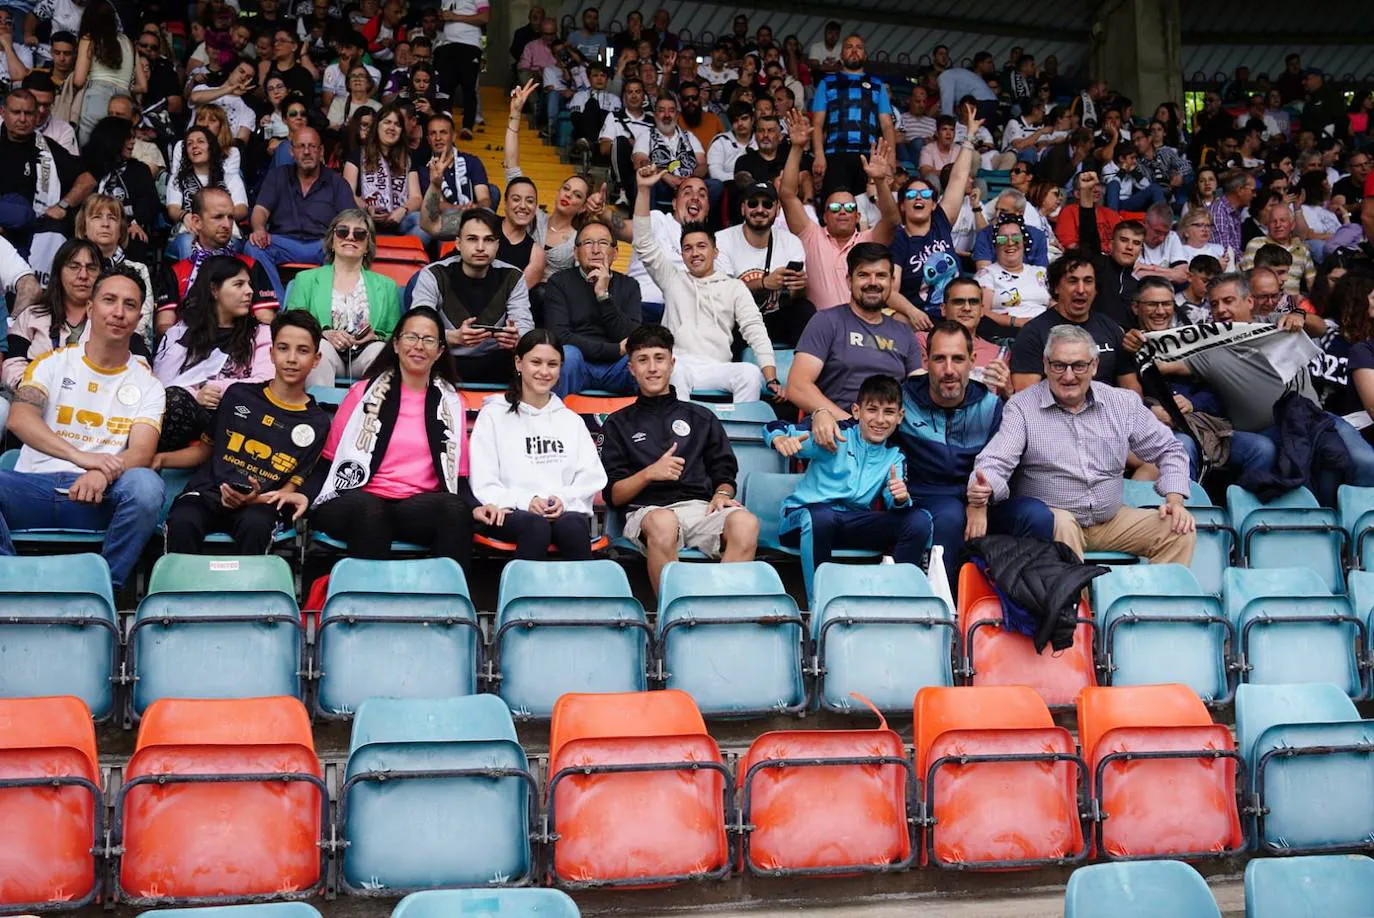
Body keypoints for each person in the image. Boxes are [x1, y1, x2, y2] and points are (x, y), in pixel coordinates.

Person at [972, 324, 1195, 565]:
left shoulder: (1121, 402)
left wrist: (1175, 501)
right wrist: (984, 487)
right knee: (1062, 525)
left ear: (1095, 366)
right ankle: (1074, 604)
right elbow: (997, 459)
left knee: (1179, 529)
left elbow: (1170, 449)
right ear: (1045, 365)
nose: (1069, 376)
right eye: (1059, 366)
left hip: (1111, 520)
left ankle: (1148, 604)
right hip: (1057, 520)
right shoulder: (1022, 407)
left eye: (1079, 366)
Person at [0, 265, 164, 590]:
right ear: (90, 307)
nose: (118, 312)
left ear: (139, 317)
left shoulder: (148, 385)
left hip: (97, 497)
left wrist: (103, 473)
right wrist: (83, 458)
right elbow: (19, 418)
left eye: (129, 305)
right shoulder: (52, 362)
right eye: (109, 300)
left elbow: (142, 453)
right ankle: (10, 585)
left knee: (146, 487)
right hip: (33, 489)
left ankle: (101, 592)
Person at [310, 306, 502, 566]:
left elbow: (459, 478)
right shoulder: (362, 394)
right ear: (397, 344)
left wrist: (476, 506)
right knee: (372, 511)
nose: (419, 346)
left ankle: (447, 603)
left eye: (429, 340)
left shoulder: (450, 403)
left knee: (454, 510)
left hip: (414, 507)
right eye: (411, 337)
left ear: (440, 351)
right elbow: (328, 461)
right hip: (356, 499)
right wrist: (303, 493)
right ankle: (365, 602)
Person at [1155, 272, 1374, 487]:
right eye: (1214, 304)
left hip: (1315, 419)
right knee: (1316, 463)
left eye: (1228, 301)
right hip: (1268, 431)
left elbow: (1320, 327)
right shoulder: (1206, 347)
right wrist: (1133, 343)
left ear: (1249, 301)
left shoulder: (1274, 324)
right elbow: (1161, 365)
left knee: (1366, 462)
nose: (1221, 309)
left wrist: (1300, 316)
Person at [600, 324, 758, 592]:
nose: (652, 368)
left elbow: (724, 473)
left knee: (746, 522)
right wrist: (650, 473)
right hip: (647, 512)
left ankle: (722, 613)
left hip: (700, 509)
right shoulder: (617, 423)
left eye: (659, 358)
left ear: (672, 364)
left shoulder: (702, 417)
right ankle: (674, 619)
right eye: (643, 360)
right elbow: (613, 495)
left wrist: (721, 493)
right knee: (664, 522)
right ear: (631, 369)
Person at [157, 311, 331, 554]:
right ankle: (180, 591)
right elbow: (203, 451)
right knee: (183, 521)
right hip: (207, 492)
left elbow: (287, 491)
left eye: (302, 350)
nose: (291, 358)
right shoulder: (239, 394)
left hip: (259, 505)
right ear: (271, 353)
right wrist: (161, 459)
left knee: (256, 526)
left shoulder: (317, 422)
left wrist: (253, 499)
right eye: (283, 348)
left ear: (316, 359)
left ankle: (245, 592)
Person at [899, 320, 1051, 584]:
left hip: (980, 499)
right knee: (949, 516)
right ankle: (944, 613)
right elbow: (864, 431)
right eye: (939, 359)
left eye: (958, 359)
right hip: (925, 500)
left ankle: (1029, 607)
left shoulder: (991, 406)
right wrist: (821, 416)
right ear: (925, 360)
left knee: (1036, 515)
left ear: (972, 360)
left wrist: (981, 500)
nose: (949, 370)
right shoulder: (903, 401)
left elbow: (1005, 464)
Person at [764, 373, 932, 599]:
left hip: (851, 522)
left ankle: (893, 599)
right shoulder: (835, 435)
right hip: (802, 520)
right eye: (872, 410)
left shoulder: (894, 455)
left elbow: (895, 502)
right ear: (856, 411)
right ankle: (821, 607)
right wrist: (779, 438)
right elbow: (775, 426)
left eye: (889, 412)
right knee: (820, 518)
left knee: (920, 520)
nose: (880, 420)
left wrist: (901, 499)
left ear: (900, 417)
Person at [631, 163, 777, 401]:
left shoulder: (734, 287)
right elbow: (644, 244)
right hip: (680, 364)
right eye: (687, 248)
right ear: (682, 254)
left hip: (718, 366)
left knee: (749, 374)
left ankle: (736, 436)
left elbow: (754, 329)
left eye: (701, 247)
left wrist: (770, 376)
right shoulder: (673, 279)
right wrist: (644, 190)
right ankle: (682, 435)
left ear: (715, 252)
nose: (695, 253)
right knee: (673, 373)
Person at [469, 329, 607, 560]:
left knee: (573, 525)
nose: (544, 371)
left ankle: (580, 596)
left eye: (552, 364)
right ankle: (522, 595)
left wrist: (563, 500)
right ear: (518, 363)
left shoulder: (570, 420)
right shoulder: (493, 415)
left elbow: (590, 477)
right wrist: (526, 501)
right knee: (535, 526)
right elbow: (484, 481)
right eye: (536, 362)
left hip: (562, 511)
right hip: (509, 512)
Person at [787, 243, 922, 440]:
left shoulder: (904, 333)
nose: (873, 282)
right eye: (863, 275)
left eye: (881, 276)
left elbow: (920, 387)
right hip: (838, 433)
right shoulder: (826, 321)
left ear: (892, 281)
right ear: (849, 281)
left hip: (889, 437)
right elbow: (797, 386)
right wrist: (853, 424)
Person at [781, 107, 898, 314]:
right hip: (821, 332)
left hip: (862, 327)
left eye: (849, 207)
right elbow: (788, 195)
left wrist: (880, 181)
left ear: (858, 215)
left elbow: (891, 220)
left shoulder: (868, 240)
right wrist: (797, 148)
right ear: (824, 216)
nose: (842, 211)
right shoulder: (811, 236)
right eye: (834, 207)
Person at [154, 255, 275, 451]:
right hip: (190, 415)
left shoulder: (260, 332)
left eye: (249, 284)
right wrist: (196, 396)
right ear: (214, 290)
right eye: (238, 284)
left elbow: (266, 381)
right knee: (172, 401)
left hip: (238, 415)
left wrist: (213, 387)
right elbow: (162, 386)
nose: (250, 291)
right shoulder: (180, 332)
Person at [411, 208, 534, 383]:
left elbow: (525, 327)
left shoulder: (512, 277)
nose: (480, 247)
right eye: (472, 239)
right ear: (458, 244)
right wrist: (453, 337)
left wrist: (516, 338)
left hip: (495, 360)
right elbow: (418, 328)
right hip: (444, 358)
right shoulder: (434, 274)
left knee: (530, 357)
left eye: (489, 240)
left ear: (497, 245)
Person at [285, 209, 401, 387]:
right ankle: (319, 412)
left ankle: (371, 413)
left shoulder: (387, 286)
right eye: (342, 231)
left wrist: (375, 337)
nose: (350, 237)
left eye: (360, 234)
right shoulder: (305, 279)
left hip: (366, 354)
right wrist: (323, 334)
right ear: (332, 240)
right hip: (325, 353)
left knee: (380, 352)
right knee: (319, 350)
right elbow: (292, 326)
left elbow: (395, 336)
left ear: (367, 245)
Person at [246, 128, 357, 304]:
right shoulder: (278, 176)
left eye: (312, 146)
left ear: (321, 151)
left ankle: (320, 306)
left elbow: (350, 219)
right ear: (292, 151)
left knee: (345, 249)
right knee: (253, 246)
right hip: (283, 242)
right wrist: (259, 229)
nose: (306, 152)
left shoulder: (337, 182)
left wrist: (338, 240)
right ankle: (280, 306)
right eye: (301, 146)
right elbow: (260, 210)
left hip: (323, 245)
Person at [891, 103, 981, 317]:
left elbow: (958, 178)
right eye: (911, 195)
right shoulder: (898, 239)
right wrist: (912, 313)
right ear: (902, 205)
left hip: (956, 312)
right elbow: (891, 291)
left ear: (933, 204)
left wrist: (969, 137)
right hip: (919, 317)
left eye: (926, 195)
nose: (919, 198)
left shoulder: (941, 221)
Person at [1010, 250, 1138, 392]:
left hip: (1108, 411)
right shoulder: (1033, 332)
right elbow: (1026, 397)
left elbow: (1131, 388)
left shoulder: (1110, 328)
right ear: (1057, 287)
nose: (1081, 289)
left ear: (1096, 289)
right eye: (1073, 281)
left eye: (1088, 281)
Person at [159, 188, 280, 336]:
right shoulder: (177, 271)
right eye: (218, 217)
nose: (227, 224)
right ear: (196, 222)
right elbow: (164, 325)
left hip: (241, 349)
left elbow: (266, 320)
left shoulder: (251, 266)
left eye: (230, 217)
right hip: (191, 349)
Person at [543, 218, 641, 397]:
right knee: (568, 354)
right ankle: (552, 420)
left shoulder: (630, 285)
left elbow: (631, 337)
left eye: (603, 243)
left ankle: (647, 423)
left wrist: (603, 296)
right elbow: (560, 337)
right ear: (575, 252)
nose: (596, 250)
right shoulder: (559, 282)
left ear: (616, 252)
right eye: (588, 242)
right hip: (578, 364)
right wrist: (613, 350)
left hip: (618, 366)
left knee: (643, 359)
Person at [713, 181, 813, 348]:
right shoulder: (722, 240)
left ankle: (803, 367)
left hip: (776, 316)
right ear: (743, 208)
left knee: (805, 309)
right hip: (738, 318)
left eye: (767, 204)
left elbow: (797, 297)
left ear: (778, 209)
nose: (760, 210)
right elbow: (723, 293)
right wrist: (764, 283)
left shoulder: (791, 242)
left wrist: (798, 287)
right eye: (753, 204)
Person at [0, 238, 98, 389]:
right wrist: (32, 389)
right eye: (74, 266)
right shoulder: (32, 314)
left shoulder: (112, 319)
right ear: (59, 272)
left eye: (91, 268)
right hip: (34, 399)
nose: (83, 275)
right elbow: (11, 362)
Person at [808, 33, 895, 197]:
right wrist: (819, 155)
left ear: (865, 54)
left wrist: (891, 158)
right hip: (835, 154)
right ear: (841, 55)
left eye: (859, 48)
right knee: (837, 204)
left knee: (868, 210)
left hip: (869, 156)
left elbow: (887, 125)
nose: (854, 51)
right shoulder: (827, 82)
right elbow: (817, 124)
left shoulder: (877, 85)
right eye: (849, 47)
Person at [73, 194, 155, 341]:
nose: (105, 224)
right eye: (97, 217)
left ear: (121, 230)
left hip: (128, 345)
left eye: (112, 218)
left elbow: (142, 323)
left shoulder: (138, 270)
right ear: (84, 227)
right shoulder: (73, 269)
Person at [165, 126, 249, 261]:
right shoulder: (178, 179)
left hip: (225, 233)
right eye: (190, 144)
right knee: (188, 243)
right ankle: (193, 281)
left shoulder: (230, 177)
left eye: (200, 142)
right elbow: (172, 209)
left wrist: (216, 219)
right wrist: (185, 215)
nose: (194, 146)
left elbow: (242, 209)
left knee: (228, 244)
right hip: (189, 232)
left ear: (212, 147)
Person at [341, 103, 421, 237]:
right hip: (366, 221)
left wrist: (402, 211)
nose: (392, 127)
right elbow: (347, 193)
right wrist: (368, 208)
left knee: (421, 222)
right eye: (387, 122)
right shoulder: (357, 155)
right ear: (376, 126)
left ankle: (403, 251)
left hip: (399, 221)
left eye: (397, 124)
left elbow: (417, 198)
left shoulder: (408, 158)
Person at [73, 1, 138, 144]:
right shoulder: (128, 42)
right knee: (117, 145)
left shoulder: (89, 39)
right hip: (123, 98)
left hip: (97, 95)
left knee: (90, 145)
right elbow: (143, 85)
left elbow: (78, 80)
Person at [975, 215, 1050, 335]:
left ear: (1024, 242)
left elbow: (1056, 304)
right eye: (1002, 239)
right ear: (995, 244)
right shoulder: (987, 274)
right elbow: (982, 310)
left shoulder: (1040, 272)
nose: (1010, 243)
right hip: (1009, 332)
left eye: (1016, 237)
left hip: (1046, 329)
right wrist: (1017, 322)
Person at [632, 93, 706, 208]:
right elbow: (640, 163)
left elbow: (702, 165)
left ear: (677, 115)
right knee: (646, 181)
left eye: (671, 111)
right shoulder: (645, 136)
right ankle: (649, 222)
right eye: (662, 110)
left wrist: (689, 179)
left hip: (690, 185)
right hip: (661, 185)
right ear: (655, 115)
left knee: (716, 185)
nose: (667, 115)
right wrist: (665, 176)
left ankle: (700, 223)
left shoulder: (689, 137)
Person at [936, 51, 997, 119]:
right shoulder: (958, 73)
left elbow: (947, 100)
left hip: (980, 102)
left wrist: (945, 119)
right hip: (993, 102)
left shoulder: (943, 77)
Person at [326, 63, 381, 129]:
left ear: (368, 83)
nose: (357, 79)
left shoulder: (378, 107)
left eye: (361, 76)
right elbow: (332, 129)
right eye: (353, 76)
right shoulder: (338, 103)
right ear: (348, 84)